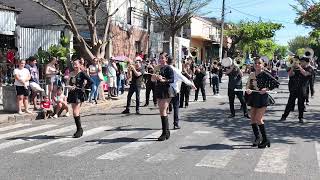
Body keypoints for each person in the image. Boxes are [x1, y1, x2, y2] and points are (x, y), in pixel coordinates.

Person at [245, 57, 279, 148]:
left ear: (263, 65)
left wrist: (266, 89)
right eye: (255, 63)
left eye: (259, 63)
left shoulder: (265, 74)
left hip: (262, 98)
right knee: (252, 119)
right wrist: (248, 90)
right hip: (254, 97)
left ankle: (265, 139)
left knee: (258, 119)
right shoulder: (252, 74)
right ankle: (257, 138)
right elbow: (248, 85)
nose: (257, 64)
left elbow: (276, 83)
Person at [280, 57, 313, 123]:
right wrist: (292, 67)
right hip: (294, 88)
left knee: (301, 104)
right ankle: (284, 117)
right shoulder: (295, 68)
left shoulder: (309, 68)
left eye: (302, 61)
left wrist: (300, 67)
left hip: (302, 89)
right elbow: (290, 74)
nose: (301, 63)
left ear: (306, 62)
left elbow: (305, 74)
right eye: (300, 61)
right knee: (289, 103)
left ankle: (300, 118)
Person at [67, 60, 93, 138]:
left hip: (79, 94)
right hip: (72, 94)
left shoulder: (82, 73)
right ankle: (79, 129)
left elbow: (91, 81)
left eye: (76, 64)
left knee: (75, 112)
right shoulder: (71, 74)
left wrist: (84, 87)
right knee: (75, 112)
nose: (74, 66)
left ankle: (79, 129)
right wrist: (69, 87)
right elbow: (68, 83)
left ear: (80, 65)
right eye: (73, 64)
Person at [152, 53, 174, 141]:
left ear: (166, 59)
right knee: (161, 111)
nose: (160, 59)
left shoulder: (169, 68)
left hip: (166, 91)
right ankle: (167, 132)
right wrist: (154, 77)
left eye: (162, 58)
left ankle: (164, 133)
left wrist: (163, 79)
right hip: (158, 90)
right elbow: (152, 79)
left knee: (163, 110)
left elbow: (172, 79)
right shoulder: (157, 68)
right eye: (159, 58)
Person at [168, 58, 196, 129]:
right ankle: (176, 124)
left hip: (166, 90)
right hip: (174, 90)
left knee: (165, 108)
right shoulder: (175, 70)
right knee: (176, 108)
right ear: (173, 62)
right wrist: (191, 84)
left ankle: (165, 125)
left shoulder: (164, 68)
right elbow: (183, 78)